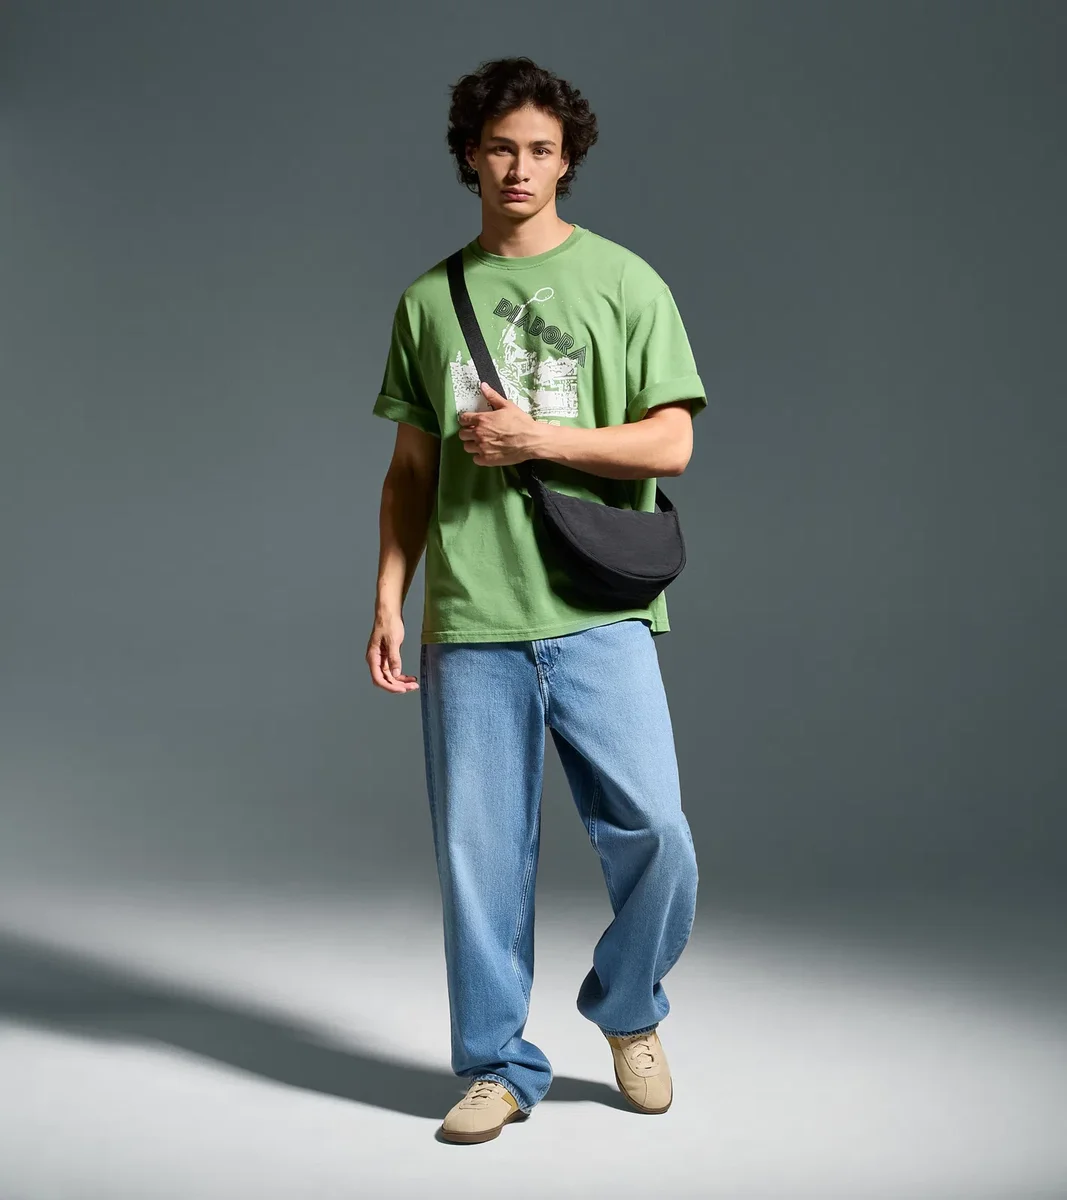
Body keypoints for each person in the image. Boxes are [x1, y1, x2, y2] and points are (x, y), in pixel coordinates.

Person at [367, 56, 705, 1144]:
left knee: (656, 833)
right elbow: (410, 471)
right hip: (471, 616)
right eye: (501, 148)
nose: (519, 168)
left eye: (541, 150)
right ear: (470, 156)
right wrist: (388, 595)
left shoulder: (624, 282)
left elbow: (670, 442)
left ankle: (627, 1006)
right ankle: (496, 1065)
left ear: (567, 162)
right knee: (478, 861)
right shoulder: (429, 301)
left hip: (596, 606)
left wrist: (538, 439)